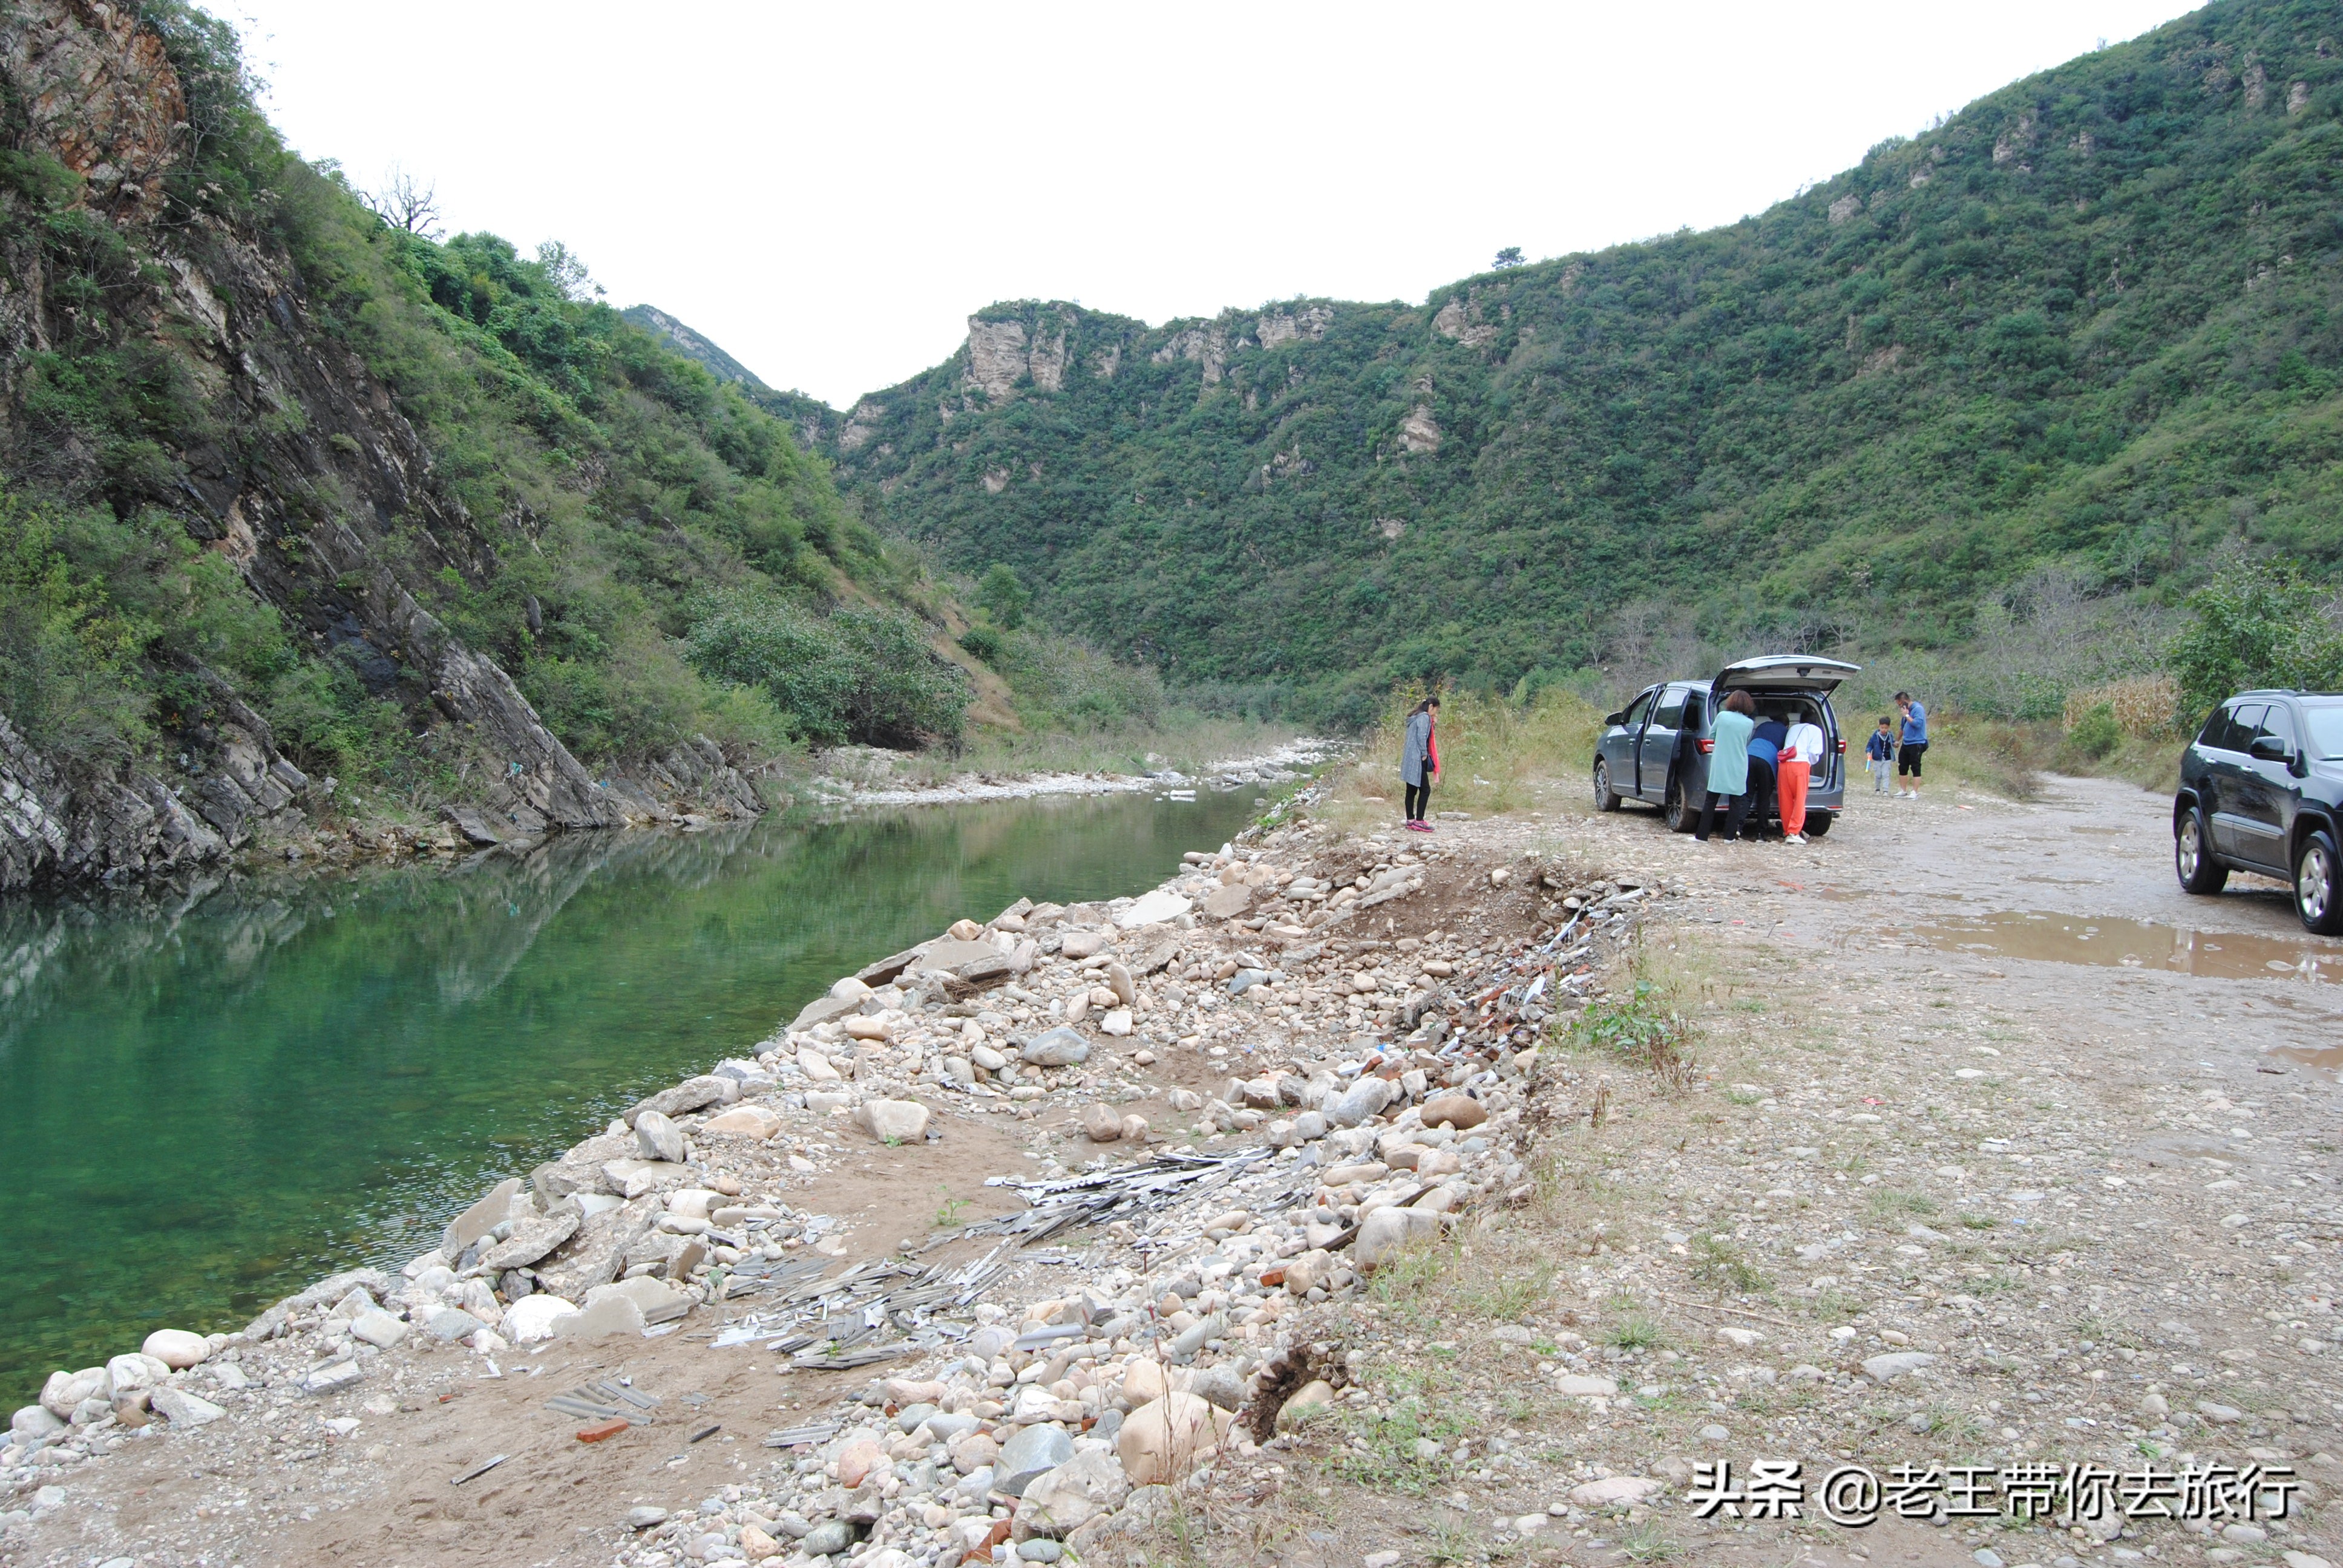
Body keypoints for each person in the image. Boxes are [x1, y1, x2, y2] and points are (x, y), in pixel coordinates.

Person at [1696, 690, 1757, 842]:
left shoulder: (1722, 716)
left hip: (1721, 763)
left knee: (1711, 800)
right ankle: (1729, 837)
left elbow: (1712, 735)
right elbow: (1746, 741)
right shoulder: (1749, 723)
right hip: (1740, 764)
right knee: (1736, 802)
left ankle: (1702, 836)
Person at [1780, 711, 1824, 843]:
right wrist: (1810, 762)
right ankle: (1794, 833)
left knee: (1786, 799)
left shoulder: (1793, 729)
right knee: (1799, 799)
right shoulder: (1816, 730)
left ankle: (1787, 830)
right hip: (1800, 765)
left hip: (1783, 764)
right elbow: (1814, 752)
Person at [1401, 696, 1440, 831]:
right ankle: (1419, 820)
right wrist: (1424, 754)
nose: (1436, 713)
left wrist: (1433, 724)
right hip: (1418, 758)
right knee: (1425, 789)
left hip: (1409, 758)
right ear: (1431, 707)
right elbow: (1422, 737)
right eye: (1436, 709)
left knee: (1411, 790)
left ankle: (1410, 820)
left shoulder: (1416, 716)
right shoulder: (1424, 717)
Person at [1895, 691, 1928, 799]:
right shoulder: (1905, 712)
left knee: (1916, 766)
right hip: (1907, 742)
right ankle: (1903, 790)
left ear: (1904, 701)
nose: (1899, 707)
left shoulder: (1918, 709)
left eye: (1900, 704)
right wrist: (1897, 740)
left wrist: (1907, 715)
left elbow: (1917, 724)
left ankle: (1915, 792)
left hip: (1917, 742)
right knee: (1903, 766)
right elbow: (1902, 727)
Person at [1866, 717, 1895, 794]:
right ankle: (1877, 789)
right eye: (1882, 728)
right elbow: (1870, 745)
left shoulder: (1890, 735)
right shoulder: (1875, 736)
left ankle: (1886, 790)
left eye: (1886, 728)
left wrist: (1895, 744)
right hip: (1877, 758)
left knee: (1886, 774)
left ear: (1889, 727)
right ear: (1879, 726)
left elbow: (1893, 743)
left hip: (1887, 758)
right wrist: (1868, 752)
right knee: (1878, 775)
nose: (1884, 730)